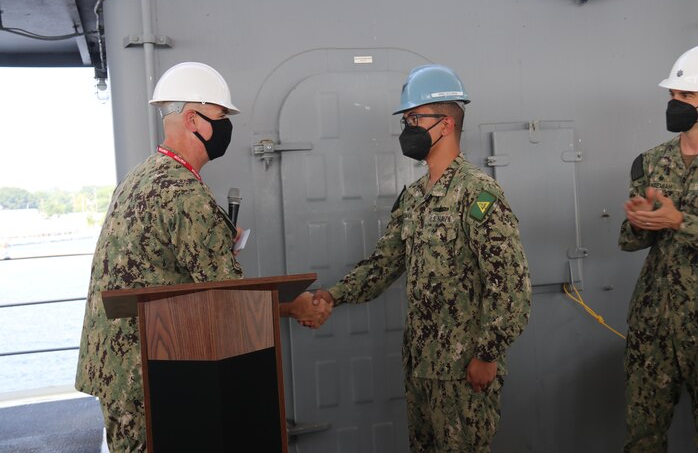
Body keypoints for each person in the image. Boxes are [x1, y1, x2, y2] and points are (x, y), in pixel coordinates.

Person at [75, 62, 331, 453]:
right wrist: (294, 306)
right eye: (221, 117)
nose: (227, 127)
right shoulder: (185, 193)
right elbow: (228, 299)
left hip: (120, 367)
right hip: (153, 373)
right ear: (193, 119)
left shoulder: (143, 175)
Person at [311, 64, 531, 453]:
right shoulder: (414, 197)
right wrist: (332, 296)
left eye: (415, 118)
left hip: (464, 369)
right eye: (406, 119)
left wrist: (487, 354)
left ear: (445, 125)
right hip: (422, 365)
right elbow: (383, 264)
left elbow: (510, 286)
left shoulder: (478, 194)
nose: (407, 128)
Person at [619, 46, 698, 452]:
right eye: (672, 96)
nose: (674, 104)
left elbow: (677, 224)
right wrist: (640, 221)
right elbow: (628, 242)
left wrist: (679, 221)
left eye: (685, 97)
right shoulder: (650, 162)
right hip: (654, 324)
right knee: (643, 438)